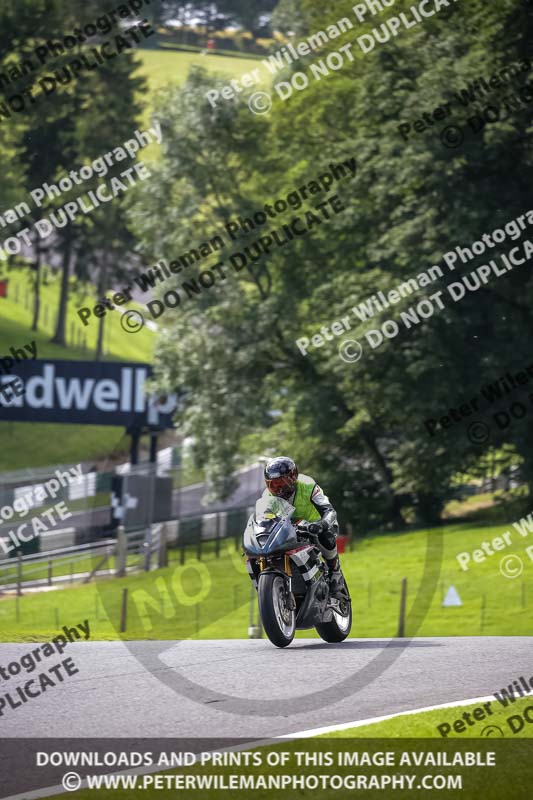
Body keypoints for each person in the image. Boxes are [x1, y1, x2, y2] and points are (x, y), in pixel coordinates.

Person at [263, 456, 346, 598]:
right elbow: (265, 520)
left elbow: (329, 510)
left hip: (316, 526)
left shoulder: (307, 485)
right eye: (272, 484)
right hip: (290, 530)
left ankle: (335, 571)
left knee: (325, 535)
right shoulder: (267, 498)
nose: (277, 488)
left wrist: (322, 524)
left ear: (293, 476)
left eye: (280, 482)